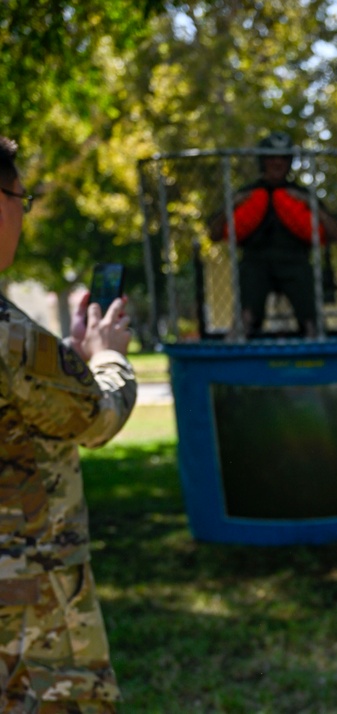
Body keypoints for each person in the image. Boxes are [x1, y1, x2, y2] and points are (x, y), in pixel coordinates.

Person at [0, 136, 137, 711]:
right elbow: (97, 417)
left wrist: (68, 360)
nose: (23, 216)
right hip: (28, 596)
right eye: (21, 199)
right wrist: (106, 355)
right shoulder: (8, 335)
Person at [209, 131, 337, 338]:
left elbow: (335, 233)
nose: (277, 163)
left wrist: (311, 206)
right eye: (272, 157)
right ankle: (239, 341)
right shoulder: (247, 193)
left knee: (310, 312)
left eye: (284, 158)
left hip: (295, 261)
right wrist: (232, 206)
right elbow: (214, 234)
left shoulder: (302, 194)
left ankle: (315, 338)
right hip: (255, 262)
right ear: (263, 160)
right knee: (247, 310)